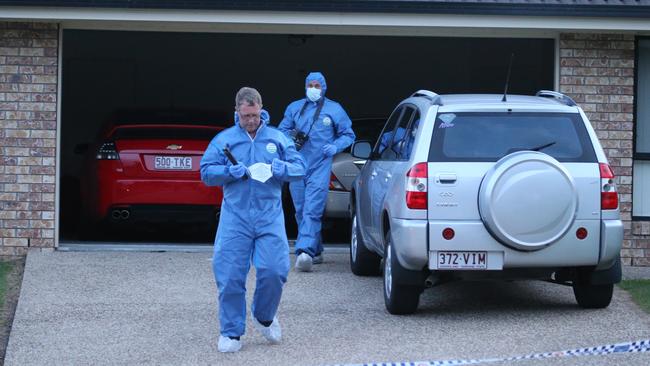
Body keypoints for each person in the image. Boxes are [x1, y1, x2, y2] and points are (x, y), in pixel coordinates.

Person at [200, 87, 306, 353]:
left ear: (262, 109)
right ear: (237, 111)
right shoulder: (224, 140)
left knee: (275, 270)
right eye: (245, 115)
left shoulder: (278, 138)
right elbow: (206, 172)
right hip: (235, 217)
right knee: (230, 275)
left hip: (269, 216)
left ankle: (264, 315)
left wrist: (282, 168)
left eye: (255, 115)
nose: (250, 120)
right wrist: (228, 171)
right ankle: (231, 332)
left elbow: (300, 167)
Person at [279, 72, 355, 272]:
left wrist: (335, 146)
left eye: (317, 85)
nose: (313, 88)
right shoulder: (294, 108)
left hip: (320, 165)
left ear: (324, 87)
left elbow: (348, 134)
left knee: (312, 208)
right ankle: (317, 249)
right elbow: (281, 131)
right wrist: (290, 139)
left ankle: (304, 251)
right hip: (297, 165)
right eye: (310, 85)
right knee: (300, 209)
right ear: (305, 86)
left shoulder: (335, 109)